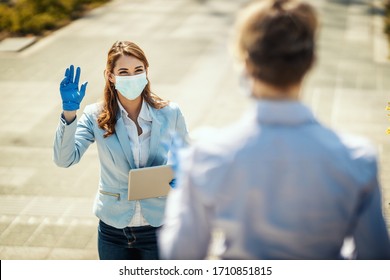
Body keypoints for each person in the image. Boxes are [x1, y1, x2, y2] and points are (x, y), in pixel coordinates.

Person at [158, 0, 390, 259]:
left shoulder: (206, 155)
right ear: (311, 61)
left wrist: (184, 186)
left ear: (246, 63)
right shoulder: (358, 158)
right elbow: (376, 258)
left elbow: (180, 256)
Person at [53, 40, 188, 260]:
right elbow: (64, 159)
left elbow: (187, 158)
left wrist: (182, 176)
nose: (132, 77)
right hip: (113, 229)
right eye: (123, 72)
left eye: (138, 70)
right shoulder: (95, 115)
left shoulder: (170, 112)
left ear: (146, 72)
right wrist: (69, 114)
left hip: (159, 225)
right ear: (110, 76)